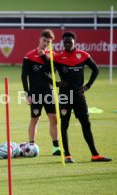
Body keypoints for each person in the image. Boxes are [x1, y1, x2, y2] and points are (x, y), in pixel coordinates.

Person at [52, 31, 112, 163]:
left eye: (70, 42)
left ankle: (95, 155)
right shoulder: (57, 57)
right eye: (65, 42)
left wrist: (88, 86)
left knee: (86, 124)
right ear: (63, 43)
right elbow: (44, 72)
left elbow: (96, 69)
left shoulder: (83, 55)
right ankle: (67, 155)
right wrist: (56, 83)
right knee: (64, 124)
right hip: (65, 97)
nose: (67, 44)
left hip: (79, 96)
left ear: (74, 42)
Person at [21, 29, 61, 155]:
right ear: (40, 39)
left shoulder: (52, 55)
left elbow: (53, 71)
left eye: (48, 42)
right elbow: (24, 76)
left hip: (49, 92)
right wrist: (27, 94)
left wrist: (44, 56)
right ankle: (31, 146)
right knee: (35, 119)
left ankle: (56, 148)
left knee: (54, 119)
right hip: (35, 93)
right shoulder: (29, 55)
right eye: (44, 40)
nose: (45, 43)